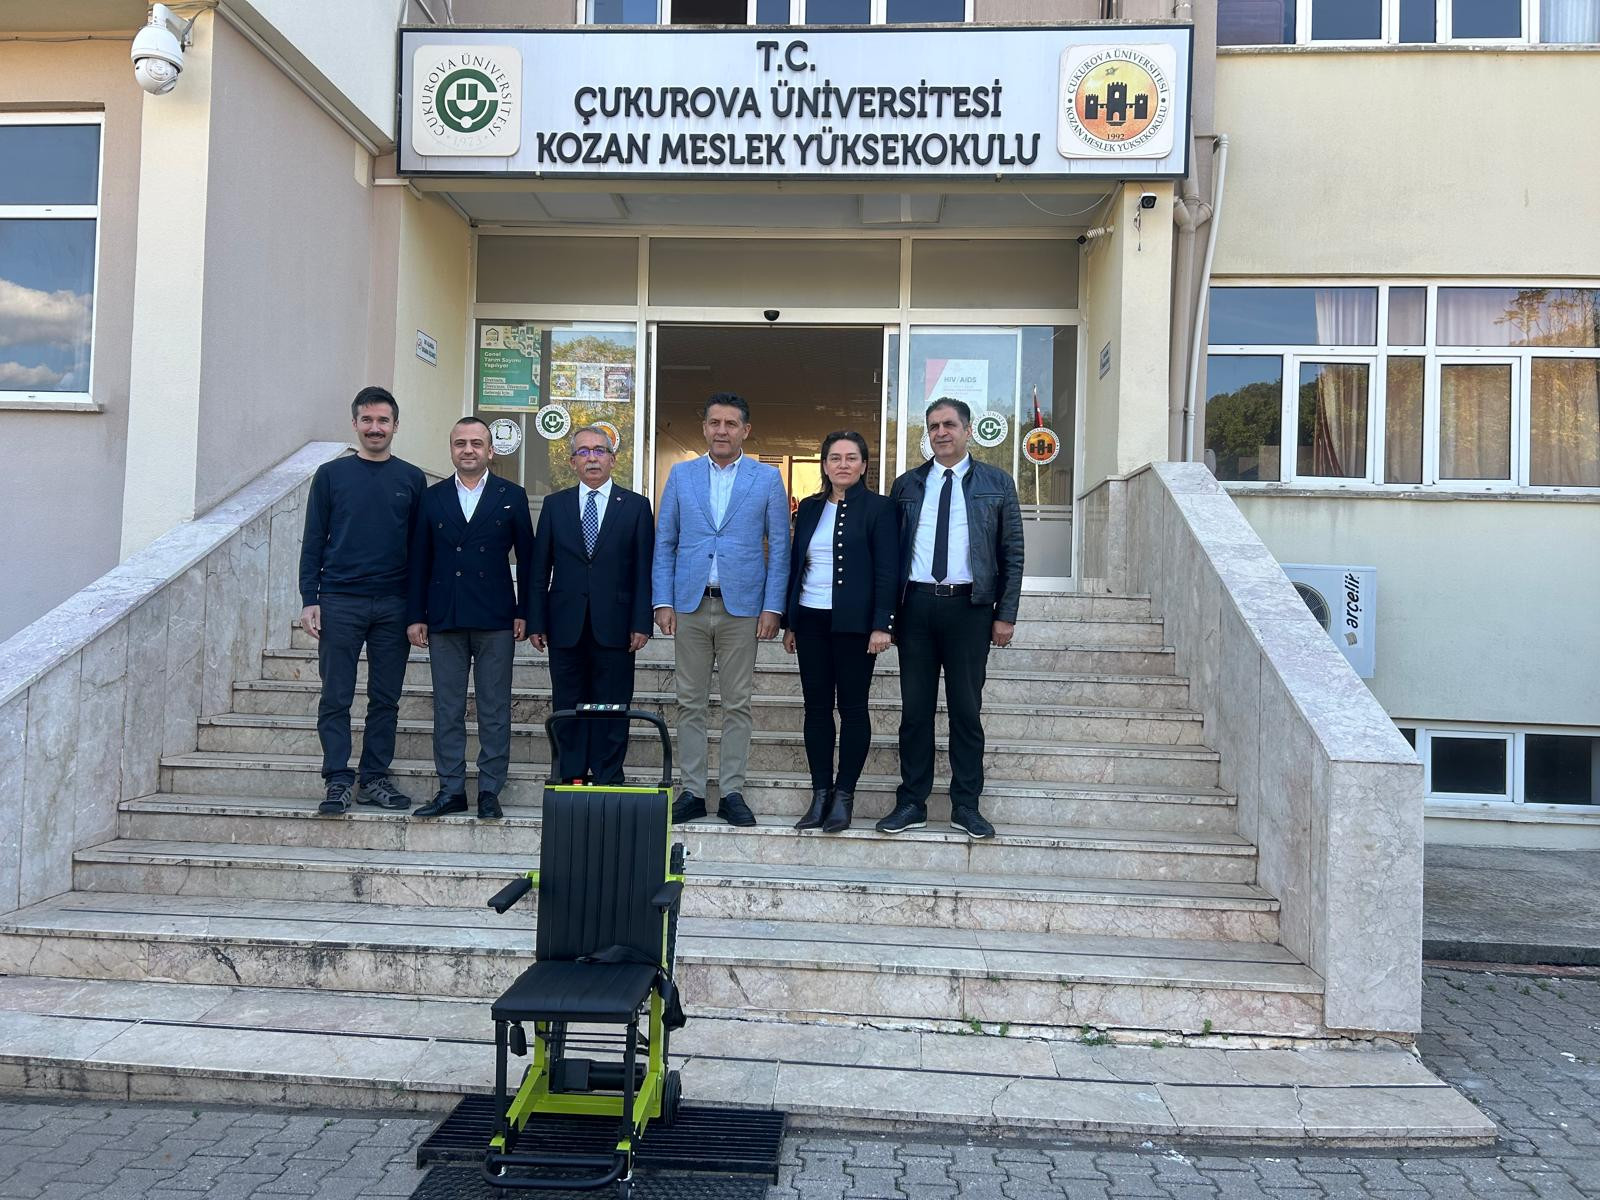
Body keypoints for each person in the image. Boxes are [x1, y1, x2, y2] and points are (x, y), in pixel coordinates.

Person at [877, 398, 1024, 840]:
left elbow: (1012, 553)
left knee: (965, 711)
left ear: (967, 430)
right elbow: (890, 554)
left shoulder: (997, 483)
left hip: (970, 610)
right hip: (917, 608)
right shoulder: (906, 485)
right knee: (915, 713)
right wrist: (888, 615)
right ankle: (912, 802)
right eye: (933, 426)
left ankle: (966, 805)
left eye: (949, 425)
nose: (941, 432)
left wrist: (1005, 614)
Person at [653, 393, 789, 827]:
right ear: (705, 428)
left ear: (745, 430)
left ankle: (732, 792)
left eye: (731, 424)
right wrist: (663, 600)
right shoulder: (682, 475)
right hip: (690, 604)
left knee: (738, 703)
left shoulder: (767, 479)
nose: (722, 431)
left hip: (742, 607)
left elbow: (780, 549)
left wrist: (773, 607)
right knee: (689, 702)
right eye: (715, 423)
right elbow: (666, 541)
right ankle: (692, 791)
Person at [299, 386, 426, 817]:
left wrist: (417, 607)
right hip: (340, 601)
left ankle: (374, 778)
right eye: (367, 420)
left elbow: (419, 549)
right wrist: (310, 598)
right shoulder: (331, 476)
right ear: (355, 423)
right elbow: (313, 539)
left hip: (394, 604)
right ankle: (337, 779)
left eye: (383, 420)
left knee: (385, 699)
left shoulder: (411, 479)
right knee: (336, 696)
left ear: (395, 425)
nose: (375, 428)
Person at [406, 417, 535, 820]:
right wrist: (415, 615)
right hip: (444, 615)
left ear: (490, 451)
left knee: (494, 708)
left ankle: (490, 790)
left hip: (496, 617)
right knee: (447, 708)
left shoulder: (512, 495)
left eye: (476, 443)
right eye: (460, 443)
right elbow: (418, 560)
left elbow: (529, 561)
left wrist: (526, 611)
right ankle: (451, 789)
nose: (468, 449)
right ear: (451, 449)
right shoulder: (432, 497)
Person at [781, 432, 898, 834]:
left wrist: (882, 624)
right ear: (825, 465)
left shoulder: (880, 509)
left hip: (855, 624)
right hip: (810, 619)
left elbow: (888, 569)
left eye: (851, 458)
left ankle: (844, 795)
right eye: (835, 458)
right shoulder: (809, 508)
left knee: (852, 708)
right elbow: (797, 564)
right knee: (815, 708)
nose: (843, 464)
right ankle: (820, 794)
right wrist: (791, 621)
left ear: (864, 465)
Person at [527, 426, 655, 785]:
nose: (592, 458)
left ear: (613, 459)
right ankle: (570, 776)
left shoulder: (636, 507)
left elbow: (644, 570)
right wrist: (536, 621)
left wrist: (641, 622)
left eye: (599, 450)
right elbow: (539, 569)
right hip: (565, 624)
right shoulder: (555, 505)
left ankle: (608, 776)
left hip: (616, 625)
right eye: (583, 452)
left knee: (612, 704)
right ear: (572, 462)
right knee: (567, 704)